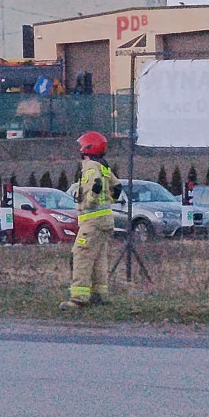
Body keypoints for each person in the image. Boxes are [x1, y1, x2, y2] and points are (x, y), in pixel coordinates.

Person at [61, 131, 122, 310]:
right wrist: (108, 201)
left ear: (88, 147)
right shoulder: (103, 166)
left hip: (92, 220)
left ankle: (78, 298)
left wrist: (90, 201)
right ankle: (99, 294)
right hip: (105, 220)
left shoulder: (90, 166)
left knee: (82, 255)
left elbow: (93, 188)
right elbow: (117, 187)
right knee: (98, 257)